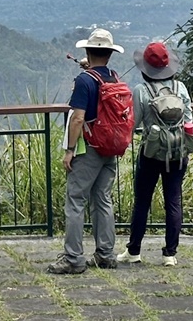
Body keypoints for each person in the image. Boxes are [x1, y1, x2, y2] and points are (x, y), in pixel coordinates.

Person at [48, 28, 125, 274]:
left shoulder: (84, 81)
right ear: (110, 55)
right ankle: (105, 254)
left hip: (88, 149)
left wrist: (70, 150)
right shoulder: (113, 77)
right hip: (110, 148)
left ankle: (73, 258)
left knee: (75, 200)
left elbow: (78, 118)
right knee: (103, 199)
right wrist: (91, 67)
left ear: (88, 52)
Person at [118, 41, 193, 267]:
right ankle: (169, 254)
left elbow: (133, 123)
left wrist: (121, 144)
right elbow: (189, 120)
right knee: (174, 200)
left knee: (142, 201)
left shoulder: (141, 91)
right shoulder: (181, 88)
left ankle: (134, 251)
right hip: (178, 152)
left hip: (150, 153)